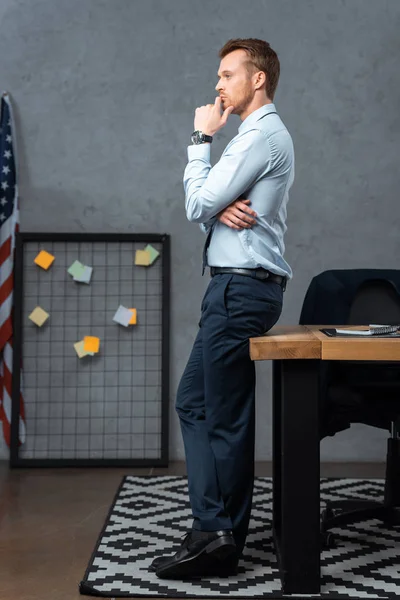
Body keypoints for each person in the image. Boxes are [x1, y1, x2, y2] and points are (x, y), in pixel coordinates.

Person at [151, 38, 295, 580]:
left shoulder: (258, 135)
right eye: (218, 76)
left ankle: (216, 535)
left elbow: (195, 203)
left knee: (222, 414)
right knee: (196, 403)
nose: (218, 85)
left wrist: (199, 140)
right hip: (235, 287)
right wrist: (216, 209)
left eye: (228, 74)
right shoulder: (255, 138)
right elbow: (209, 206)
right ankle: (219, 527)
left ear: (258, 79)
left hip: (241, 289)